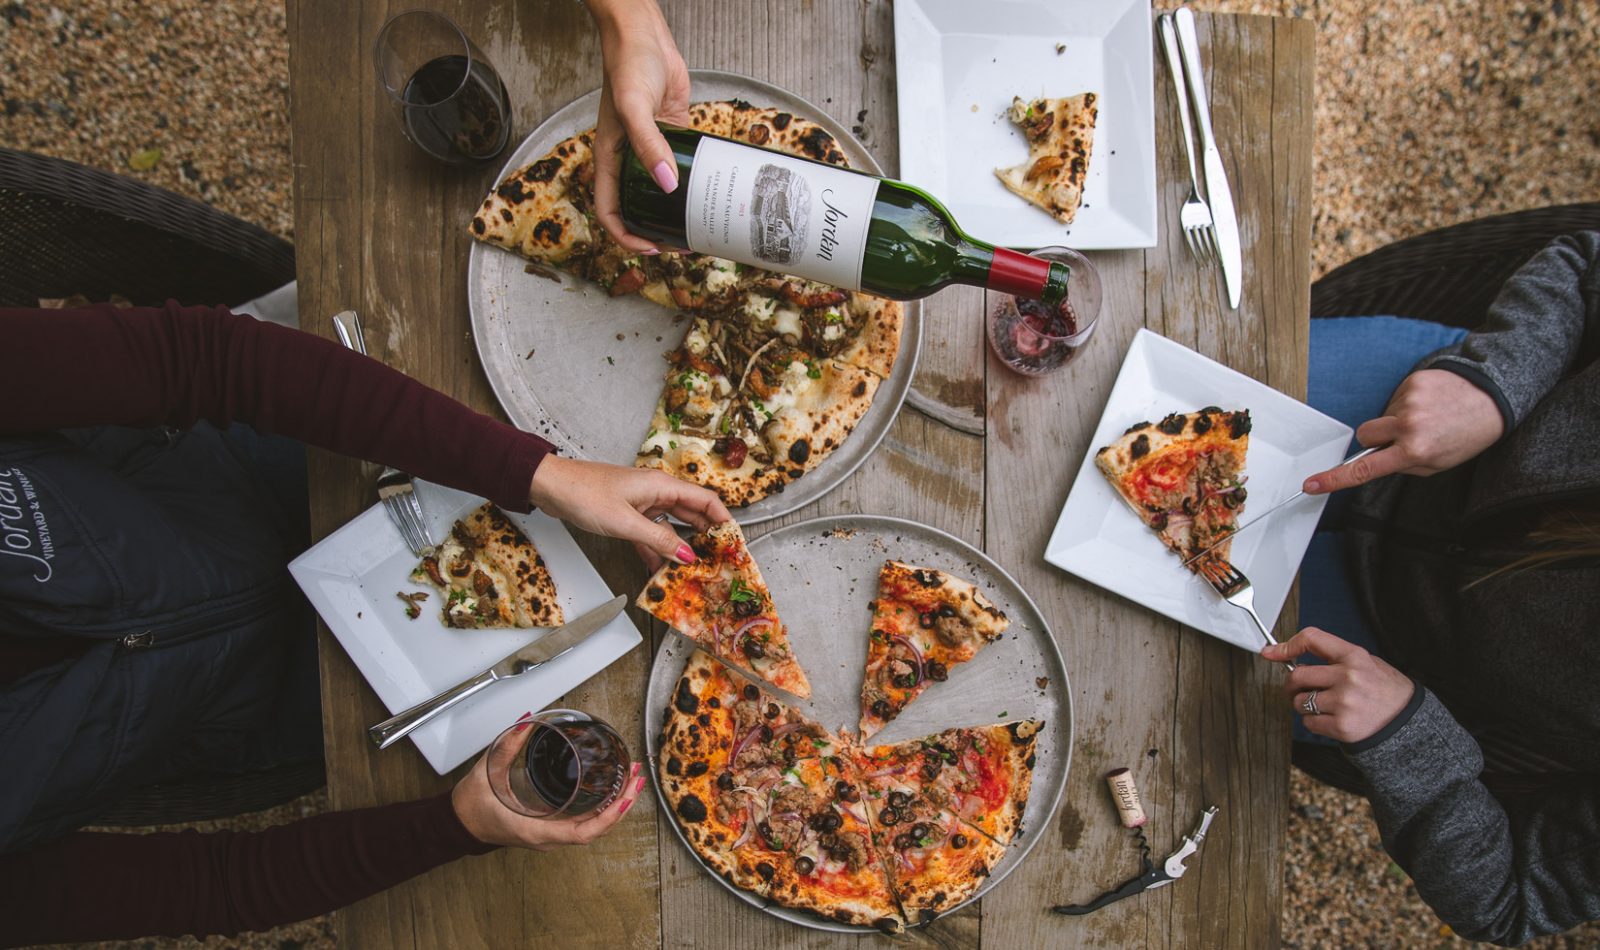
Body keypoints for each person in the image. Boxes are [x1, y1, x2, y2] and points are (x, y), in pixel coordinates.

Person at [1263, 231, 1600, 945]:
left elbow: (1512, 900)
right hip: (1425, 411)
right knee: (1087, 390)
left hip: (1380, 647)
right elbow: (1586, 263)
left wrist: (1407, 739)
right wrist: (1493, 382)